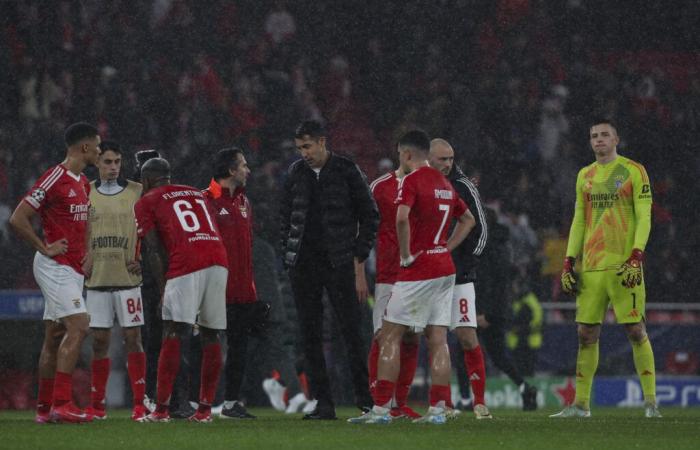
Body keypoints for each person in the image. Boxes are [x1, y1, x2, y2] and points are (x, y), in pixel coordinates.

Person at [350, 130, 475, 425]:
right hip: (442, 268)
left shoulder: (412, 182)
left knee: (389, 335)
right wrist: (444, 246)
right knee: (438, 339)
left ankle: (381, 409)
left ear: (406, 154)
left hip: (414, 271)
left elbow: (402, 217)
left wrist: (406, 254)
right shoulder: (444, 183)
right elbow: (468, 219)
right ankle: (438, 409)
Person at [551, 119, 660, 418]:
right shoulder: (584, 175)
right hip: (592, 268)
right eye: (593, 136)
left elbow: (645, 215)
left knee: (636, 330)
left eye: (604, 135)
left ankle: (651, 402)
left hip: (625, 266)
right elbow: (579, 220)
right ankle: (581, 405)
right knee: (585, 335)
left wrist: (636, 255)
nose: (598, 140)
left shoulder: (633, 171)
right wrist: (569, 260)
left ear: (616, 139)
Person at [280, 120, 379, 420]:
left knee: (350, 333)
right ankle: (324, 404)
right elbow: (284, 217)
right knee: (310, 335)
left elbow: (370, 215)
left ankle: (365, 400)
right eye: (299, 148)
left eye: (307, 146)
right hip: (305, 266)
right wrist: (289, 255)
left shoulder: (347, 170)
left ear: (322, 142)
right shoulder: (296, 173)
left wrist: (358, 256)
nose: (304, 153)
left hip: (339, 263)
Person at [9, 122, 101, 423]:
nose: (99, 151)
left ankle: (44, 410)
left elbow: (85, 222)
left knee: (53, 336)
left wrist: (87, 253)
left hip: (73, 268)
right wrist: (43, 246)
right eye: (97, 146)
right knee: (80, 325)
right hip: (54, 266)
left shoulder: (84, 182)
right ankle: (63, 404)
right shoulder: (54, 177)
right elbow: (18, 217)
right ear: (84, 147)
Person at [134, 157, 228, 423]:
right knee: (211, 334)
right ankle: (204, 411)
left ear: (147, 180)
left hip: (185, 262)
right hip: (218, 259)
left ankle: (161, 410)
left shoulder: (147, 200)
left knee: (173, 330)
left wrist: (163, 287)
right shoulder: (197, 193)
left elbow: (152, 248)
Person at [82, 141, 147, 421]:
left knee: (133, 339)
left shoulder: (136, 191)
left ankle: (139, 405)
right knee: (99, 341)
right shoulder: (85, 192)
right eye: (107, 162)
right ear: (97, 163)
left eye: (117, 162)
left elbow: (151, 227)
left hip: (128, 277)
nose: (112, 167)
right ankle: (97, 405)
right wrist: (81, 256)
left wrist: (142, 256)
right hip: (97, 278)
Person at [428, 138, 492, 419]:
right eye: (442, 159)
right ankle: (444, 403)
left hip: (459, 276)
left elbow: (481, 231)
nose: (448, 164)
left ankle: (479, 401)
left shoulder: (463, 186)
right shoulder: (421, 183)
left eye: (451, 158)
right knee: (435, 338)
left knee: (467, 336)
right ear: (428, 158)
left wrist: (464, 263)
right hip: (429, 275)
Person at [203, 147, 269, 419]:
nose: (248, 170)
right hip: (214, 288)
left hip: (242, 290)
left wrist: (252, 289)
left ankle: (230, 402)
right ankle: (200, 402)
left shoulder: (244, 202)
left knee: (240, 348)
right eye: (243, 165)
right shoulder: (204, 201)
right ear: (231, 171)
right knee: (206, 346)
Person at [366, 158, 421, 420]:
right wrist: (358, 270)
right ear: (406, 155)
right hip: (388, 273)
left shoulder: (424, 185)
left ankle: (400, 404)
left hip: (417, 274)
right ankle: (379, 402)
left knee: (411, 336)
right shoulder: (379, 187)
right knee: (382, 335)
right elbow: (363, 228)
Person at [475, 207, 539, 411]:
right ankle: (524, 388)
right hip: (500, 308)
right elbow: (504, 279)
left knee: (464, 352)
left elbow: (489, 282)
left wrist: (483, 311)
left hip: (487, 309)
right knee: (498, 357)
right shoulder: (503, 245)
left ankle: (470, 398)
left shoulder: (487, 247)